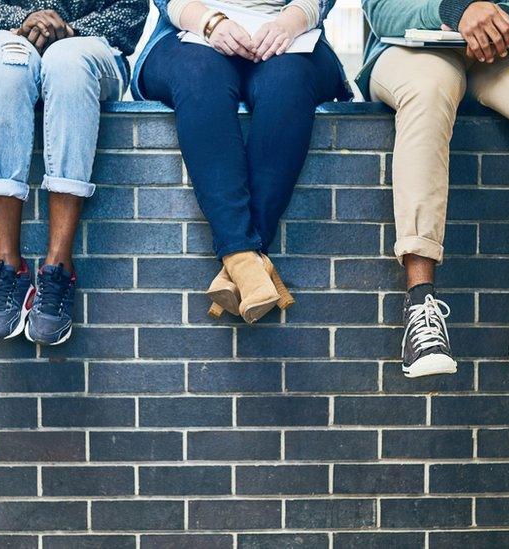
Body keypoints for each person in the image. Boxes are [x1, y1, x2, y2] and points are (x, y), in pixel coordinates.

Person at [360, 0, 509, 383]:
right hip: (411, 49)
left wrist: (498, 21)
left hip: (501, 51)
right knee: (428, 90)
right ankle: (420, 310)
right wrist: (457, 12)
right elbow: (381, 9)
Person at [133, 0, 352, 323]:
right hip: (191, 33)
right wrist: (210, 23)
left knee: (288, 82)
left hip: (287, 35)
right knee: (200, 75)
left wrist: (289, 23)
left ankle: (240, 261)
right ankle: (247, 261)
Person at [0, 0, 148, 345]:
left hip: (92, 44)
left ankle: (58, 268)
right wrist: (26, 20)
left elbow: (132, 11)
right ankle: (7, 268)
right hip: (11, 36)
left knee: (67, 63)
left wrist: (68, 29)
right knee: (9, 64)